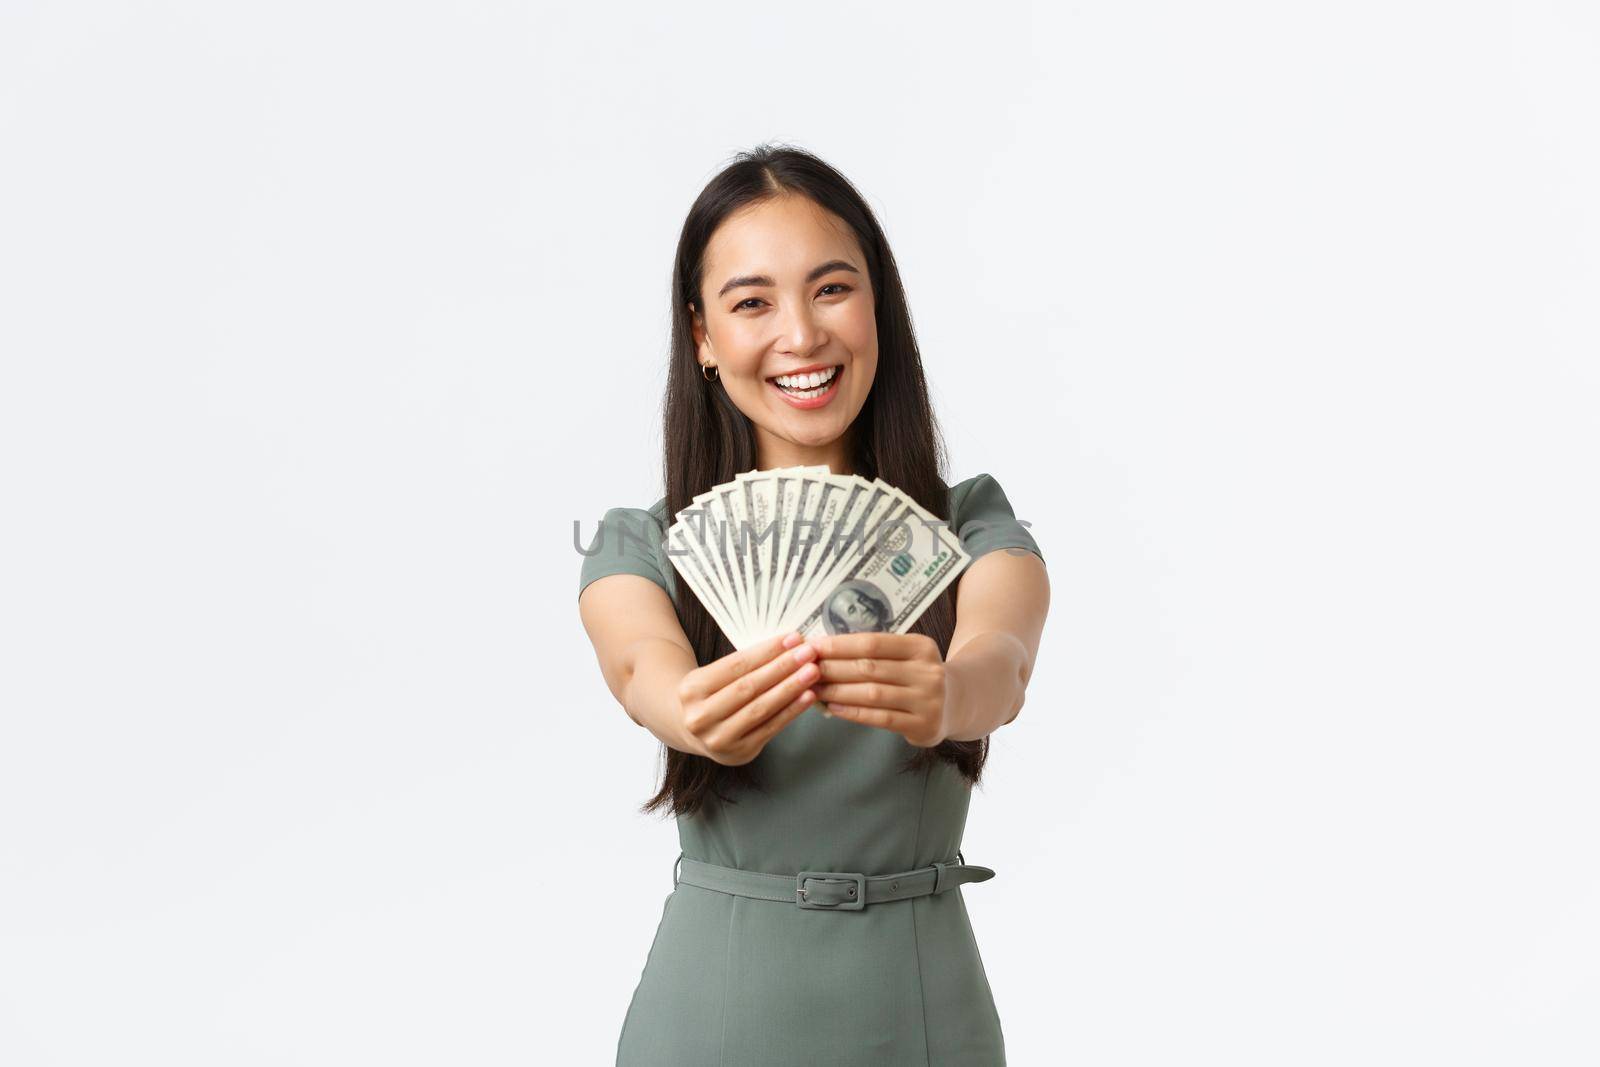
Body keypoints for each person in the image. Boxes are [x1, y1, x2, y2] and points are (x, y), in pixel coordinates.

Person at [576, 144, 1051, 1066]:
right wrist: (695, 714)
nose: (800, 335)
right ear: (704, 337)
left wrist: (952, 695)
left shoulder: (969, 526)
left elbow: (1005, 655)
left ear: (880, 307)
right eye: (752, 302)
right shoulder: (641, 544)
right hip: (715, 1010)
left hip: (923, 1009)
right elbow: (641, 666)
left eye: (832, 289)